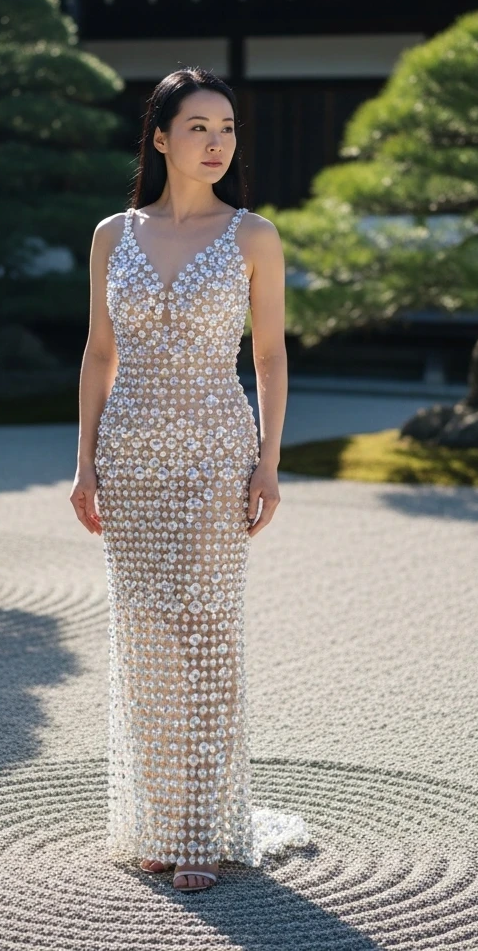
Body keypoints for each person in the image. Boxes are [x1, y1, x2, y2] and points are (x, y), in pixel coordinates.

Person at [70, 67, 308, 892]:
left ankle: (203, 829)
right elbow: (99, 355)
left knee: (206, 636)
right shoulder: (112, 233)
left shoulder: (255, 236)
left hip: (215, 455)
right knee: (145, 641)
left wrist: (270, 462)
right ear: (161, 136)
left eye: (229, 128)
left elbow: (270, 358)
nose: (217, 143)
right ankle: (158, 821)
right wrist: (83, 464)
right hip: (130, 457)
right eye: (199, 126)